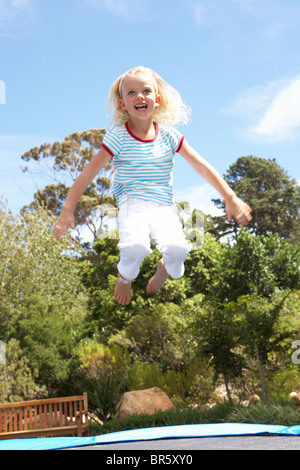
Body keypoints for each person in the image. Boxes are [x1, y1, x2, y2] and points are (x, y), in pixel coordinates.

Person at [53, 66, 252, 305]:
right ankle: (124, 278)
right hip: (132, 205)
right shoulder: (119, 136)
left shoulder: (170, 136)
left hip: (164, 207)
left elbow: (201, 167)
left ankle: (164, 270)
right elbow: (87, 175)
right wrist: (67, 210)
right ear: (122, 104)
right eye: (132, 92)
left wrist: (230, 197)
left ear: (157, 100)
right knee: (135, 247)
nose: (140, 96)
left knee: (178, 251)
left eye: (146, 91)